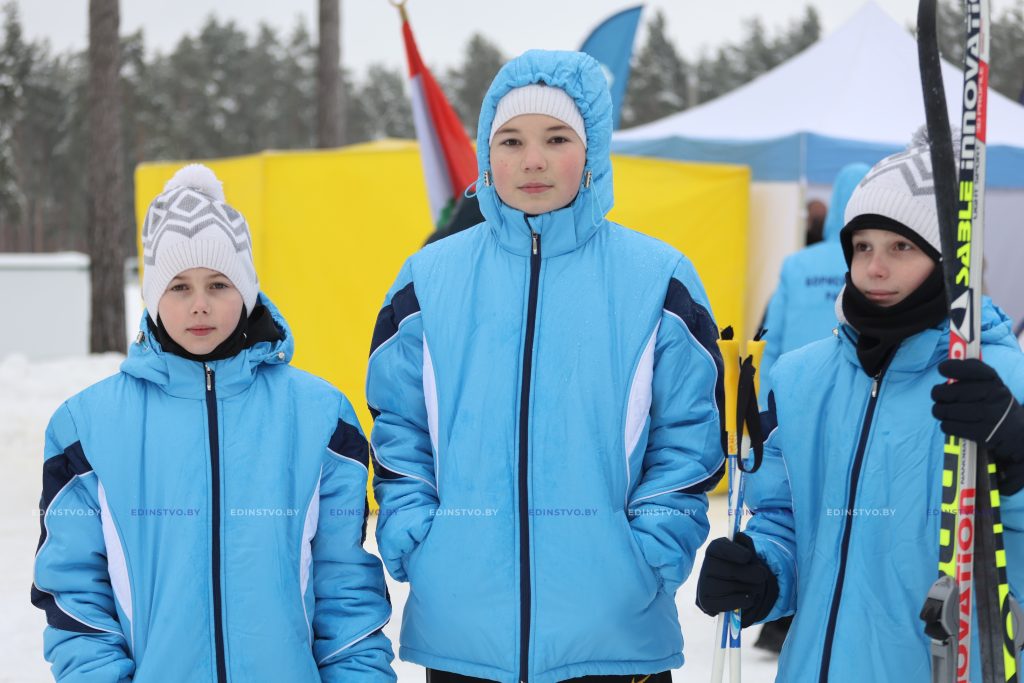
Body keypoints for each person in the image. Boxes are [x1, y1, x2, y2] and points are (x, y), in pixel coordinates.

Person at [367, 50, 725, 683]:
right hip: (462, 633)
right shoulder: (429, 278)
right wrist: (420, 537)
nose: (532, 160)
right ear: (487, 154)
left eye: (557, 138)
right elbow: (399, 424)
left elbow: (689, 438)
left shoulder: (657, 278)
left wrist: (648, 555)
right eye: (511, 140)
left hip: (614, 635)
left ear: (592, 151)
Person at [32, 165, 396, 682]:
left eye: (218, 284)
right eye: (179, 286)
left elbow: (345, 585)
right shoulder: (85, 427)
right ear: (153, 296)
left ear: (247, 291)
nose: (199, 305)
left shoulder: (319, 415)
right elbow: (73, 591)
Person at [695, 129, 1024, 680]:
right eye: (863, 246)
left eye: (901, 247)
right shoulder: (803, 378)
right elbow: (787, 522)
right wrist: (762, 576)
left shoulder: (997, 380)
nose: (874, 268)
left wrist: (1018, 452)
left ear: (948, 259)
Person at [758, 163, 870, 400]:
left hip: (793, 392)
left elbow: (769, 342)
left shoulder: (797, 263)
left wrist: (764, 407)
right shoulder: (876, 267)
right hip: (853, 396)